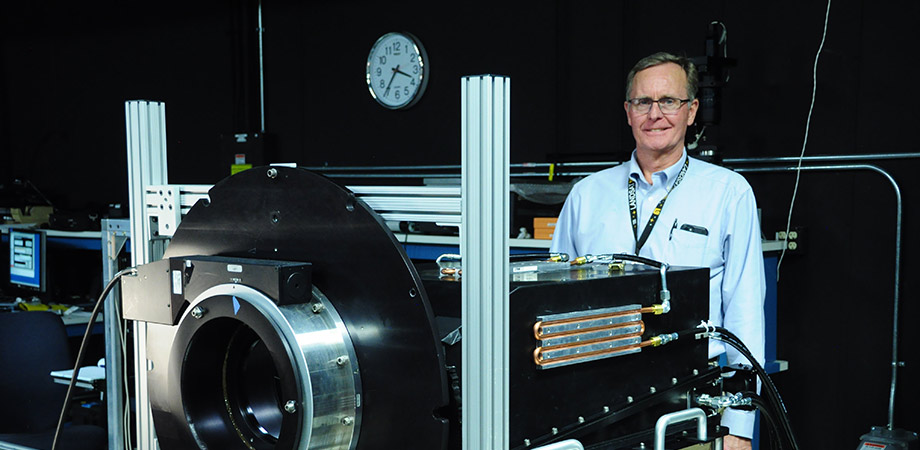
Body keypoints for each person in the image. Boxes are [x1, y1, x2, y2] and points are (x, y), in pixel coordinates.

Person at [550, 51, 766, 450]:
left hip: (691, 407)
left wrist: (739, 426)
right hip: (594, 405)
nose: (655, 114)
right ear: (628, 112)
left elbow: (745, 310)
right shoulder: (587, 195)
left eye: (669, 101)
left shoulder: (728, 192)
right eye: (642, 102)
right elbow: (556, 304)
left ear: (692, 111)